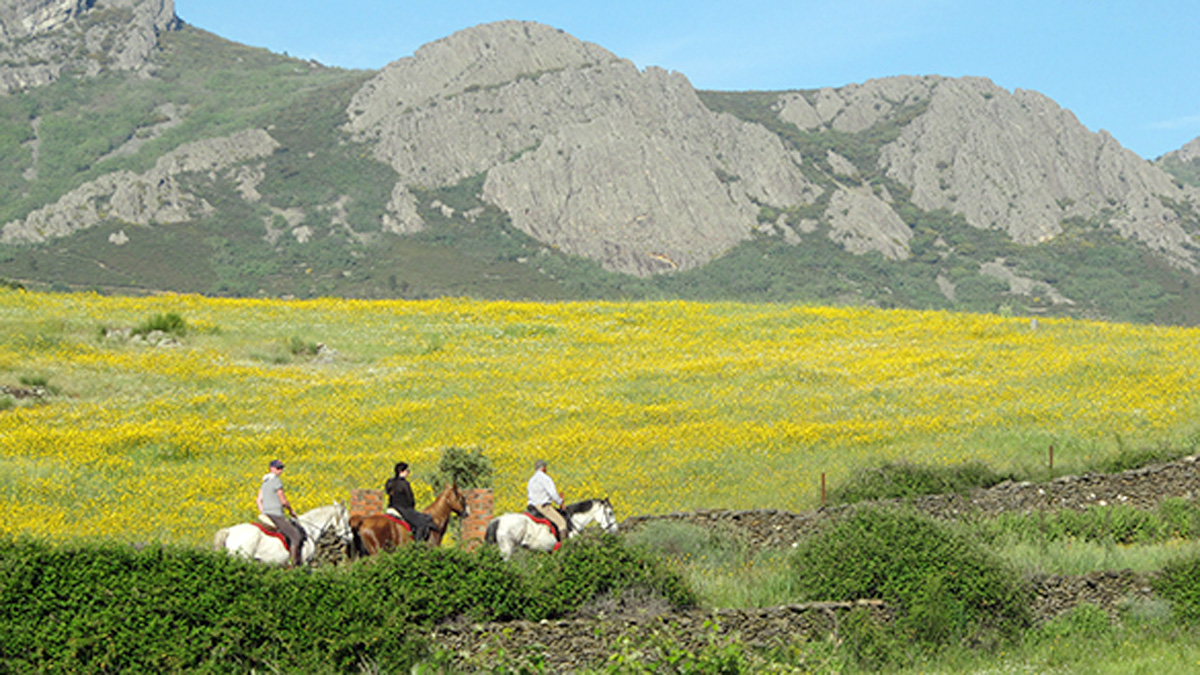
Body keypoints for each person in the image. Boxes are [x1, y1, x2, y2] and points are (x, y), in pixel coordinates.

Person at [257, 458, 305, 567]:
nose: (280, 471)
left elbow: (258, 500)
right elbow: (283, 500)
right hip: (276, 515)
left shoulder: (265, 482)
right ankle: (293, 566)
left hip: (266, 514)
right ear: (271, 469)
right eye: (278, 468)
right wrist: (291, 510)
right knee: (295, 537)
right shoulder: (276, 481)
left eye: (281, 468)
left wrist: (263, 512)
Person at [385, 461, 435, 542]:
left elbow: (387, 492)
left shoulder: (390, 482)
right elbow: (410, 499)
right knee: (421, 524)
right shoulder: (404, 484)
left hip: (391, 507)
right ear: (401, 471)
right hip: (403, 509)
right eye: (407, 471)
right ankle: (417, 545)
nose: (408, 473)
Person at [526, 459, 568, 540]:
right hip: (543, 507)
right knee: (562, 523)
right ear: (544, 468)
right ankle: (564, 546)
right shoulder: (545, 478)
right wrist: (560, 502)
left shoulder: (531, 480)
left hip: (531, 507)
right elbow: (553, 494)